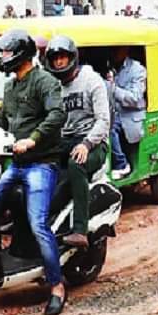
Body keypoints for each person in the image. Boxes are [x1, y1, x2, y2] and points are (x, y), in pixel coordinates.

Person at [0, 29, 68, 315]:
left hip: (40, 164)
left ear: (21, 54)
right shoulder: (10, 88)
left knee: (38, 225)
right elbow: (0, 119)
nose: (4, 57)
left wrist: (32, 139)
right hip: (15, 165)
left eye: (7, 52)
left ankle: (57, 285)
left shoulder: (45, 82)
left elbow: (57, 115)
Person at [43, 35, 110, 249]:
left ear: (72, 58)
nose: (59, 62)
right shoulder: (54, 87)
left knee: (76, 163)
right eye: (55, 59)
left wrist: (87, 144)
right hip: (65, 140)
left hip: (94, 142)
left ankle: (80, 230)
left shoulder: (92, 81)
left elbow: (104, 120)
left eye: (63, 57)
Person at [107, 46, 147, 179]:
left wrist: (112, 88)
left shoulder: (137, 69)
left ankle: (121, 164)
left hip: (130, 116)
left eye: (117, 49)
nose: (114, 52)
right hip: (113, 112)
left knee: (108, 127)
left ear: (126, 49)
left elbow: (135, 98)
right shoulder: (109, 66)